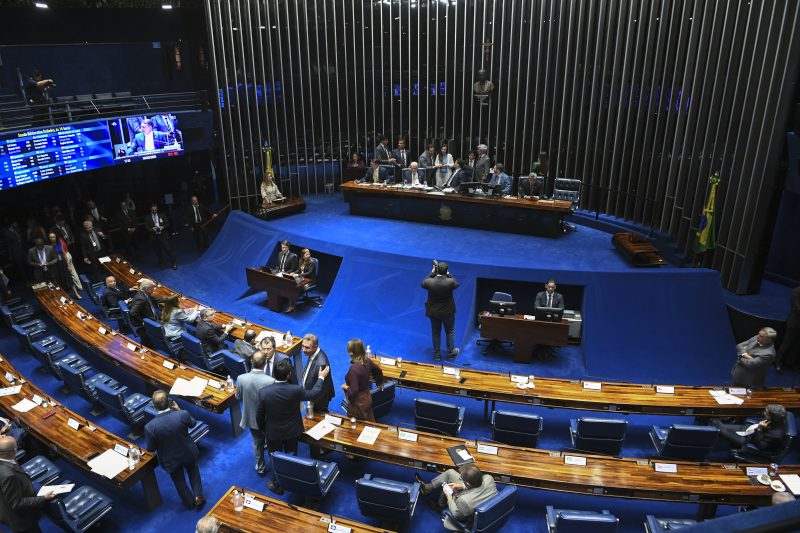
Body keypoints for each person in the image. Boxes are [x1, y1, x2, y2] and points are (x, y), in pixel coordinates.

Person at [256, 358, 330, 494]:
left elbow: (259, 415)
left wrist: (262, 430)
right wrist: (321, 378)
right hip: (292, 430)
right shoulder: (296, 389)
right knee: (292, 457)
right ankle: (292, 482)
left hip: (273, 432)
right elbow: (314, 393)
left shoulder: (264, 392)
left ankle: (276, 483)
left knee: (274, 458)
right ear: (288, 375)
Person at [144, 391, 205, 509]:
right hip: (187, 451)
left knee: (178, 480)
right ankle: (198, 496)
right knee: (193, 470)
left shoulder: (150, 427)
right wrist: (179, 410)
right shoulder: (182, 414)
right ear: (169, 402)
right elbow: (193, 423)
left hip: (169, 458)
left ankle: (189, 502)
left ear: (154, 406)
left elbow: (151, 448)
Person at [415, 464, 497, 530]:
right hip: (475, 493)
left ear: (468, 483)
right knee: (450, 473)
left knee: (448, 490)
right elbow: (477, 483)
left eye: (462, 479)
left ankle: (440, 506)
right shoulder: (489, 478)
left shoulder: (463, 501)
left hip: (468, 508)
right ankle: (427, 488)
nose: (460, 478)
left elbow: (457, 515)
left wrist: (449, 497)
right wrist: (462, 486)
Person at [0, 435, 55, 533]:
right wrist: (43, 498)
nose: (2, 435)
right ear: (14, 451)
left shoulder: (5, 461)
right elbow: (16, 503)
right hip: (21, 520)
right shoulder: (9, 475)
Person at [236, 350, 276, 475]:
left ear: (251, 362)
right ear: (265, 364)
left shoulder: (241, 378)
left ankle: (260, 467)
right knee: (271, 444)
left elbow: (238, 397)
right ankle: (276, 468)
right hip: (267, 419)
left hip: (251, 418)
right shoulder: (271, 381)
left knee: (257, 442)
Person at [711, 404, 787, 454]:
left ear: (772, 417)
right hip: (749, 429)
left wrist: (759, 429)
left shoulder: (776, 435)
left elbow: (761, 446)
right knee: (719, 424)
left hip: (748, 441)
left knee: (720, 429)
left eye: (766, 413)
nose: (764, 413)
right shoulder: (776, 420)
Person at [422, 260, 460, 361]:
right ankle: (450, 353)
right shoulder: (450, 282)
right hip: (448, 312)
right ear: (446, 271)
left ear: (437, 269)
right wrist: (448, 273)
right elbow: (457, 284)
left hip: (433, 312)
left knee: (436, 333)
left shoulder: (430, 281)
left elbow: (423, 283)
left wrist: (432, 272)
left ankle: (437, 355)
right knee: (450, 332)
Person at [342, 338, 384, 422]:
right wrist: (380, 383)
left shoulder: (353, 369)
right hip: (367, 397)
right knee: (368, 421)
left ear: (351, 353)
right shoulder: (367, 361)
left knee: (357, 426)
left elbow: (354, 390)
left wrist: (346, 387)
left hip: (357, 404)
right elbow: (378, 370)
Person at [300, 333, 335, 412]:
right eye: (303, 346)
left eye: (307, 347)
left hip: (318, 399)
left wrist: (312, 399)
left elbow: (323, 388)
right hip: (312, 393)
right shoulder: (312, 352)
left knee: (318, 416)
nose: (303, 350)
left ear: (315, 347)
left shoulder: (322, 363)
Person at [128, 279, 167, 344]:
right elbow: (132, 312)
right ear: (146, 289)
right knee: (169, 323)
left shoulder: (144, 293)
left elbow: (156, 299)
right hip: (148, 319)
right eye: (152, 288)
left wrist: (170, 299)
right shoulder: (141, 299)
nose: (154, 289)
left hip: (149, 314)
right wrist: (142, 322)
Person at [47, 233, 81, 299]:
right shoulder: (48, 247)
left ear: (56, 237)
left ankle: (76, 293)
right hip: (55, 265)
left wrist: (68, 265)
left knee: (69, 278)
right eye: (50, 237)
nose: (52, 238)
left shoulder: (60, 244)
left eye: (53, 237)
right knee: (59, 281)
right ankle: (63, 296)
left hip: (62, 263)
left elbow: (64, 254)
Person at [144, 203, 177, 270]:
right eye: (153, 210)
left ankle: (174, 263)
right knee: (158, 252)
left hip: (163, 236)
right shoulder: (147, 218)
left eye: (155, 210)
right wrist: (151, 229)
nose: (154, 211)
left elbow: (167, 224)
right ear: (151, 210)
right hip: (154, 237)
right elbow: (146, 227)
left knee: (168, 250)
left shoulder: (162, 215)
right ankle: (162, 264)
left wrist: (163, 227)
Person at [776, 286, 800, 373]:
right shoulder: (796, 291)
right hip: (794, 323)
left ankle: (790, 363)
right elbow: (797, 308)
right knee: (786, 343)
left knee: (797, 346)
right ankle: (778, 362)